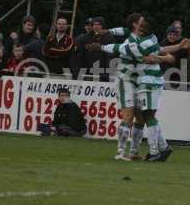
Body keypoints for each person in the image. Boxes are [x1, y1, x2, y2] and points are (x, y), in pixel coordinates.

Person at [91, 17, 177, 162]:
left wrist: (102, 44)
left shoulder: (143, 40)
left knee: (143, 116)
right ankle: (132, 151)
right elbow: (125, 41)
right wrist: (169, 56)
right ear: (136, 26)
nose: (143, 21)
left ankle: (139, 151)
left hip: (143, 81)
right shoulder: (138, 41)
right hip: (130, 81)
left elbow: (121, 42)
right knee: (138, 116)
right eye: (140, 20)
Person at [73, 17, 115, 81]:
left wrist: (107, 72)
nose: (96, 27)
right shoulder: (84, 38)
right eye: (94, 25)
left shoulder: (109, 38)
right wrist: (77, 71)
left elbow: (110, 57)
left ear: (102, 26)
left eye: (98, 24)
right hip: (86, 73)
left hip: (102, 73)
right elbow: (79, 56)